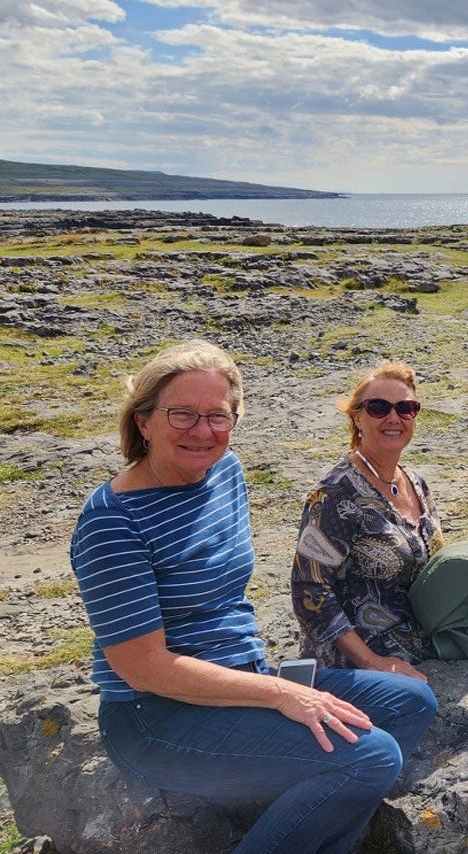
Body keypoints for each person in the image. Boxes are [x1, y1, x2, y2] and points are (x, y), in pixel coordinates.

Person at [71, 340, 437, 853]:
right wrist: (282, 695)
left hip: (244, 677)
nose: (203, 432)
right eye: (182, 414)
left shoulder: (225, 472)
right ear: (143, 421)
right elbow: (143, 668)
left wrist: (270, 686)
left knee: (410, 701)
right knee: (370, 756)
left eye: (218, 416)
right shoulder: (112, 522)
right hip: (155, 716)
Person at [293, 362, 445, 674]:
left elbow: (429, 572)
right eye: (378, 407)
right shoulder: (335, 494)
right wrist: (370, 661)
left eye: (406, 408)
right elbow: (309, 588)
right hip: (355, 666)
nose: (394, 418)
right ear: (357, 417)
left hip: (424, 646)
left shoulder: (416, 483)